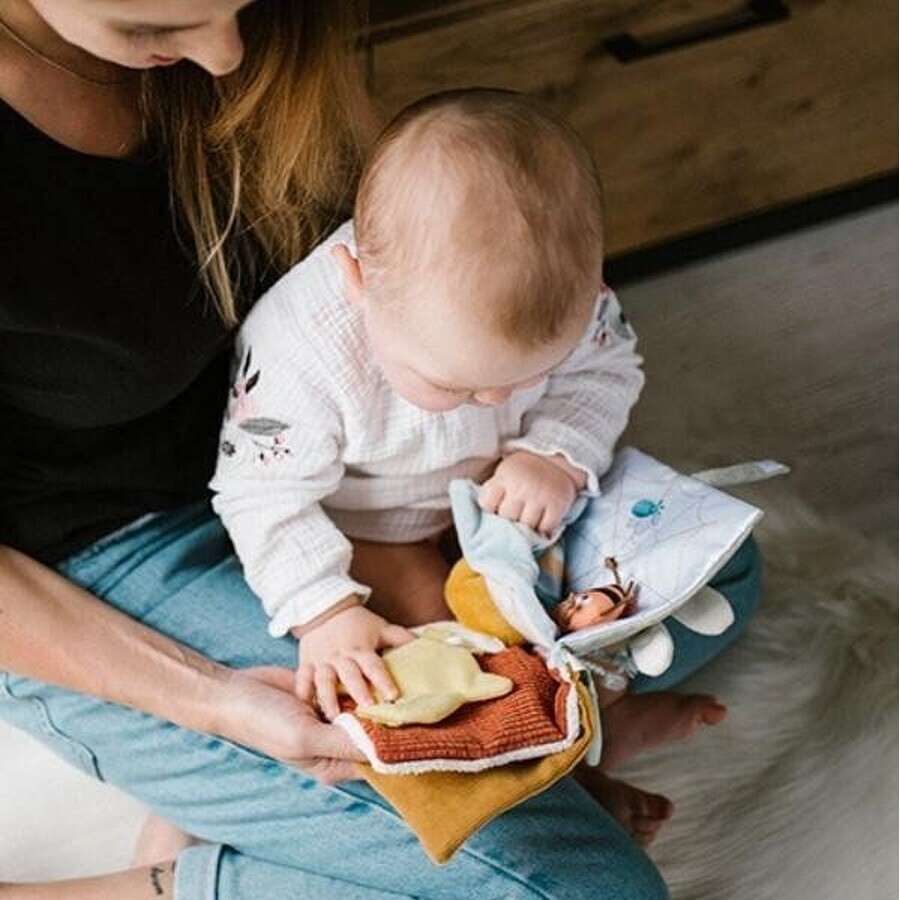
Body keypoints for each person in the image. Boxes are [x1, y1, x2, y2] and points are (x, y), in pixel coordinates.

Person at [0, 2, 760, 898]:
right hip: (98, 560)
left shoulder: (259, 43)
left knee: (716, 581)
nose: (229, 55)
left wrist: (519, 463)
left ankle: (545, 750)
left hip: (355, 481)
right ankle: (154, 883)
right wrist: (223, 700)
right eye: (153, 26)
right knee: (587, 889)